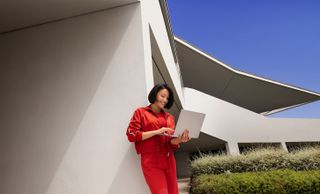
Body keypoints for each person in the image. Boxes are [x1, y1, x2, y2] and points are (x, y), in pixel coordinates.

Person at [126, 83, 190, 194]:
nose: (165, 100)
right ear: (155, 94)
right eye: (162, 96)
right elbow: (131, 135)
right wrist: (157, 132)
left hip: (169, 160)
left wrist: (180, 139)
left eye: (167, 98)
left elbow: (171, 142)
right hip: (151, 161)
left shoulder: (170, 118)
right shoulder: (141, 112)